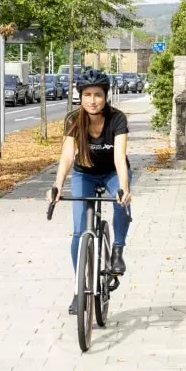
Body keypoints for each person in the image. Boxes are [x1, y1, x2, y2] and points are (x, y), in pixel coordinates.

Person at [46, 69, 132, 314]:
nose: (92, 100)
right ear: (80, 97)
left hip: (113, 172)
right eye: (87, 95)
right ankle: (79, 288)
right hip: (84, 173)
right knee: (78, 231)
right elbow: (66, 155)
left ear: (106, 96)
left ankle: (117, 251)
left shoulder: (117, 119)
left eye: (97, 94)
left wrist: (123, 188)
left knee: (120, 202)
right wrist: (58, 185)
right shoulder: (74, 119)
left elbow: (119, 156)